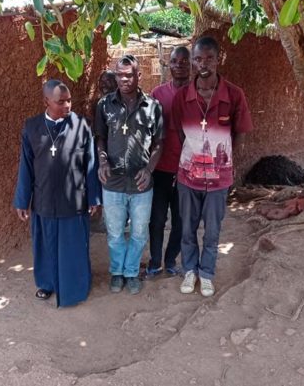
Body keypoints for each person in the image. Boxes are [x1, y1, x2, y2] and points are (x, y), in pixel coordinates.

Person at [172, 36, 253, 297]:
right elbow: (180, 133)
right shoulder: (182, 97)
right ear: (193, 62)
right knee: (187, 227)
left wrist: (225, 160)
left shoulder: (234, 95)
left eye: (208, 58)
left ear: (219, 60)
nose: (203, 64)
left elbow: (240, 133)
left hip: (219, 179)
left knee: (213, 230)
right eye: (198, 59)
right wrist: (194, 155)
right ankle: (190, 270)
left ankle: (206, 273)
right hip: (188, 177)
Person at [13, 79, 101, 307]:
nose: (67, 105)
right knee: (46, 245)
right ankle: (47, 283)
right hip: (44, 200)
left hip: (74, 200)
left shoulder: (82, 125)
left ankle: (76, 288)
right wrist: (22, 200)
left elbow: (91, 164)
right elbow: (26, 166)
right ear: (46, 102)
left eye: (69, 100)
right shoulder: (32, 127)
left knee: (73, 247)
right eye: (61, 102)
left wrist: (93, 196)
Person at [95, 55, 164, 295]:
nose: (123, 80)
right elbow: (100, 138)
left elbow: (159, 143)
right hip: (112, 183)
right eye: (119, 75)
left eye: (129, 75)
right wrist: (102, 161)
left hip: (141, 184)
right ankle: (117, 272)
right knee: (115, 233)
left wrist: (149, 169)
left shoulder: (153, 107)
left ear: (138, 76)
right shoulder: (104, 105)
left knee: (139, 233)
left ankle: (132, 272)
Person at [143, 46, 191, 279]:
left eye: (184, 61)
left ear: (191, 65)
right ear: (168, 65)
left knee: (181, 221)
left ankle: (171, 260)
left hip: (188, 170)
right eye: (174, 61)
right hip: (160, 169)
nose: (179, 65)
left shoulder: (198, 93)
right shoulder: (157, 94)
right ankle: (155, 262)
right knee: (157, 219)